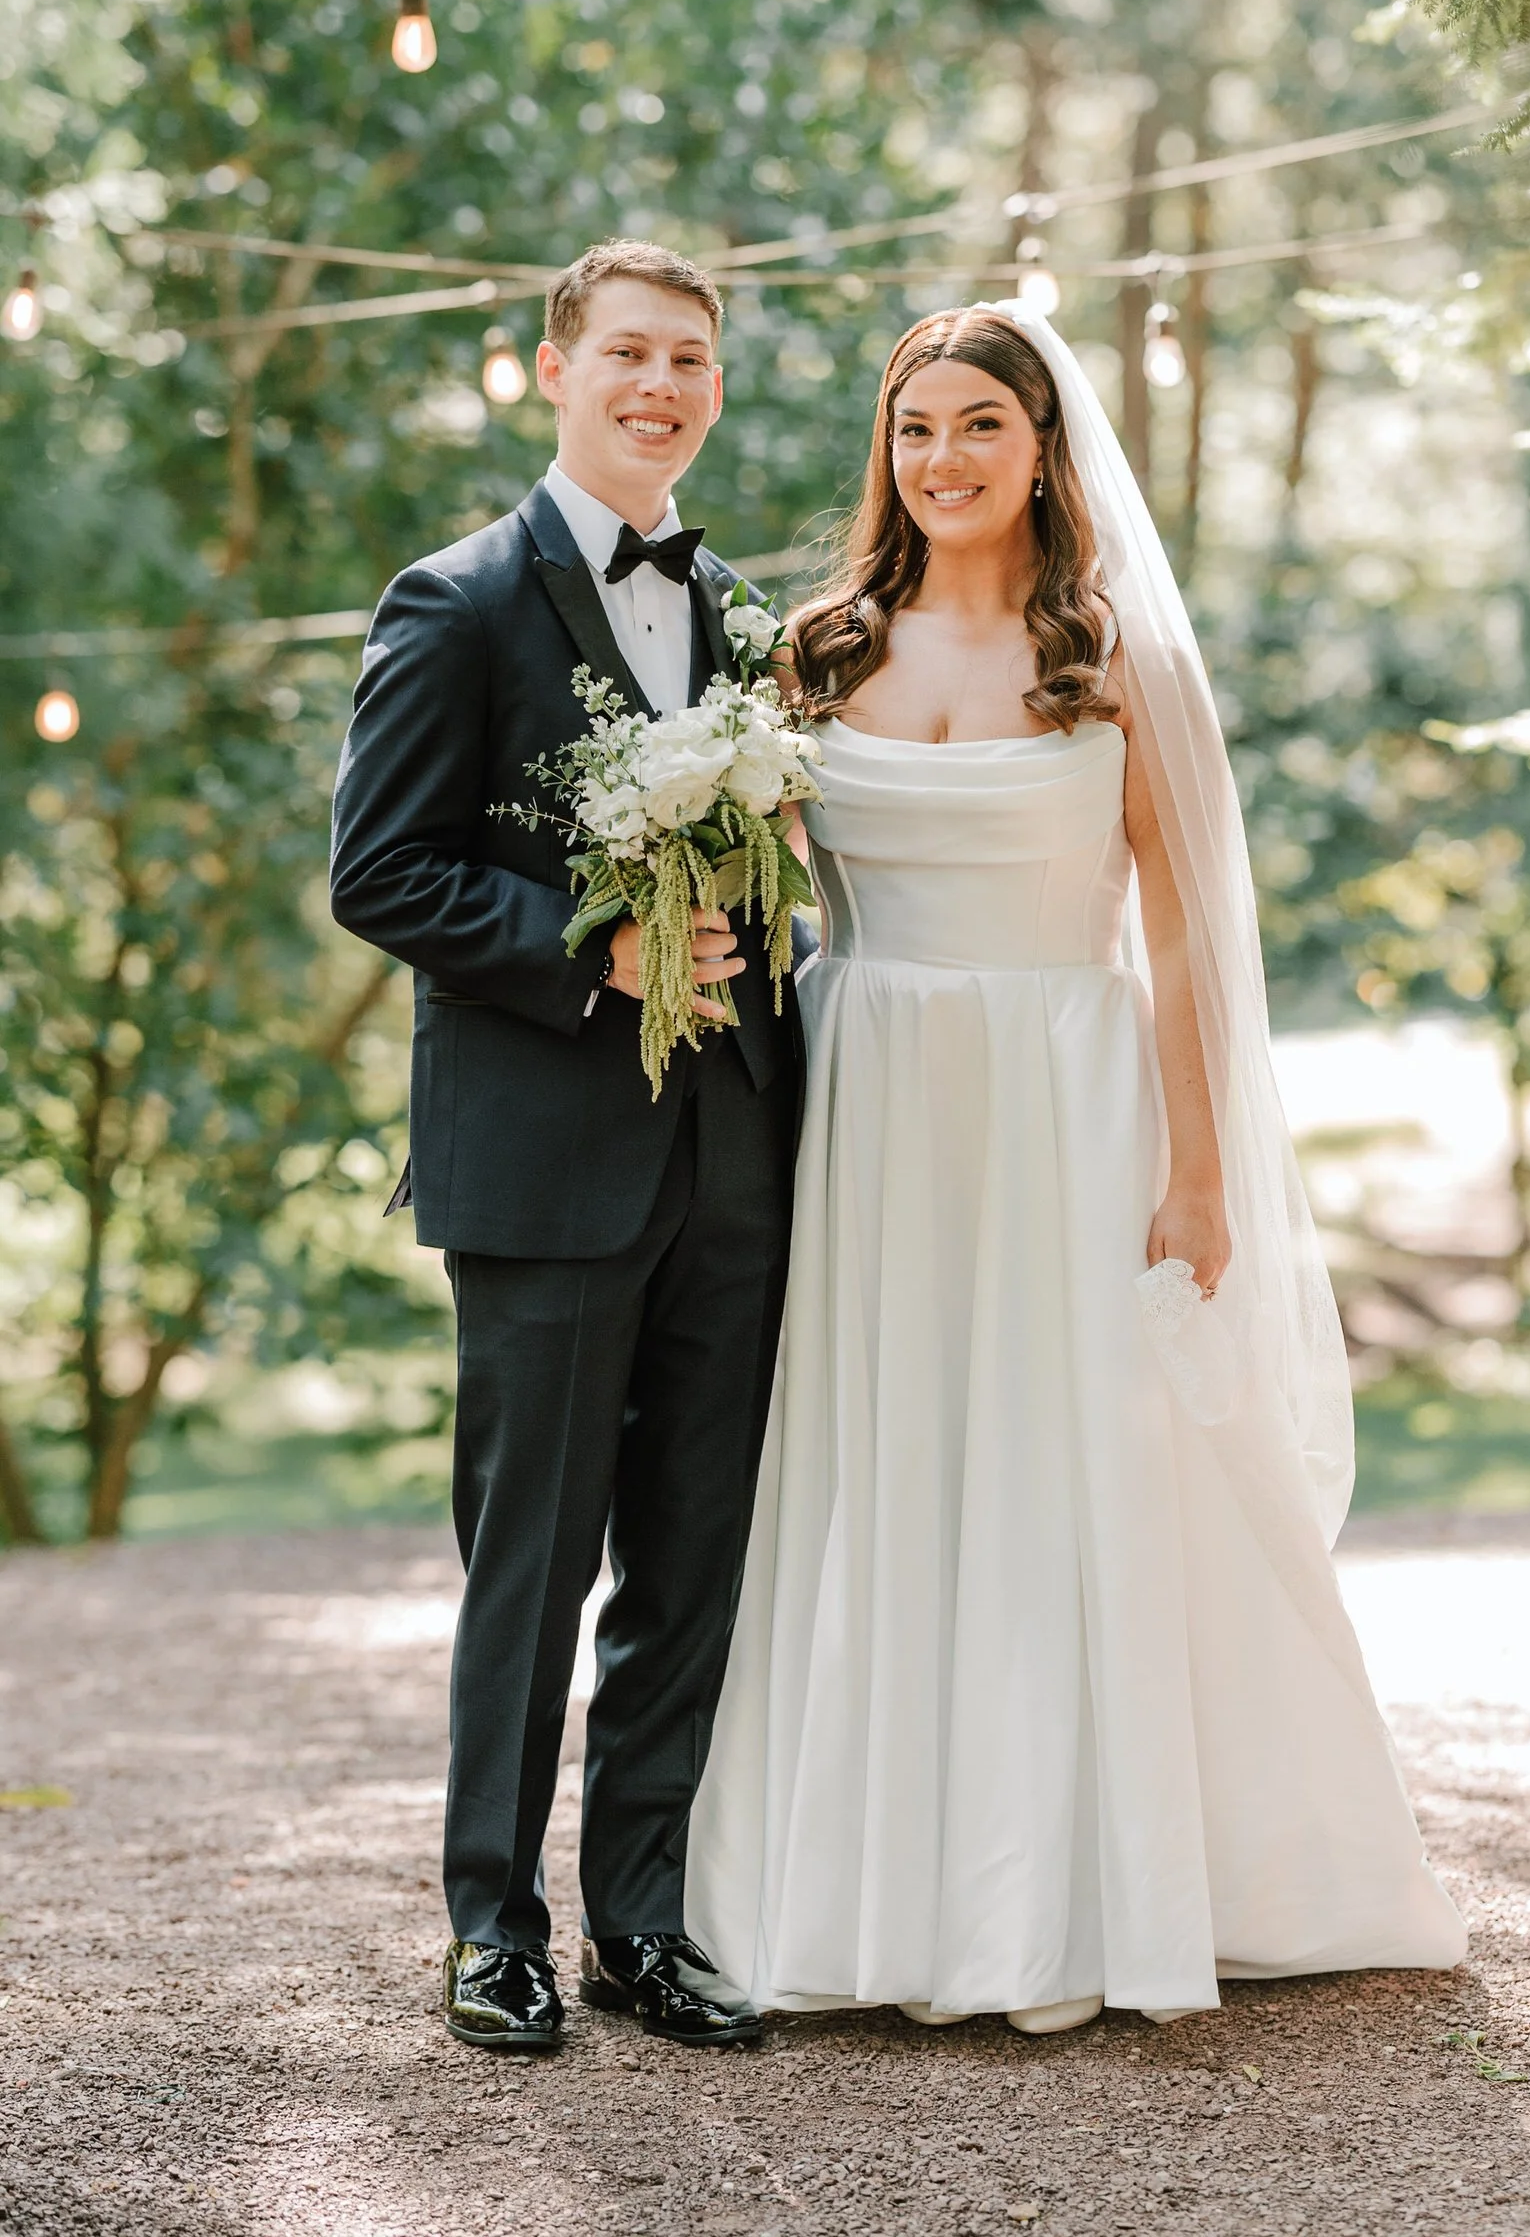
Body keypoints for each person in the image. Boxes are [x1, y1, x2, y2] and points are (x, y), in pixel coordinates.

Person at [684, 302, 1466, 2030]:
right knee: (884, 1453)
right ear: (884, 454)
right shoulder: (812, 652)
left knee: (1066, 1454)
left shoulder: (1114, 657)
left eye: (979, 425)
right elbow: (745, 885)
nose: (944, 459)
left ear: (1043, 446)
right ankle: (865, 1887)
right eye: (914, 430)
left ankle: (1085, 1881)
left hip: (1068, 1087)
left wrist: (1197, 1173)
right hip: (870, 1103)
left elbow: (1186, 941)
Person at [330, 240, 801, 2052]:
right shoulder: (452, 602)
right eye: (626, 353)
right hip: (541, 1161)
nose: (656, 385)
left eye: (687, 359)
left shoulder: (751, 620)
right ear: (555, 368)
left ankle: (646, 1922)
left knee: (694, 1554)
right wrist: (590, 943)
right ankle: (490, 1926)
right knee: (528, 1562)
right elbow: (379, 872)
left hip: (738, 1154)